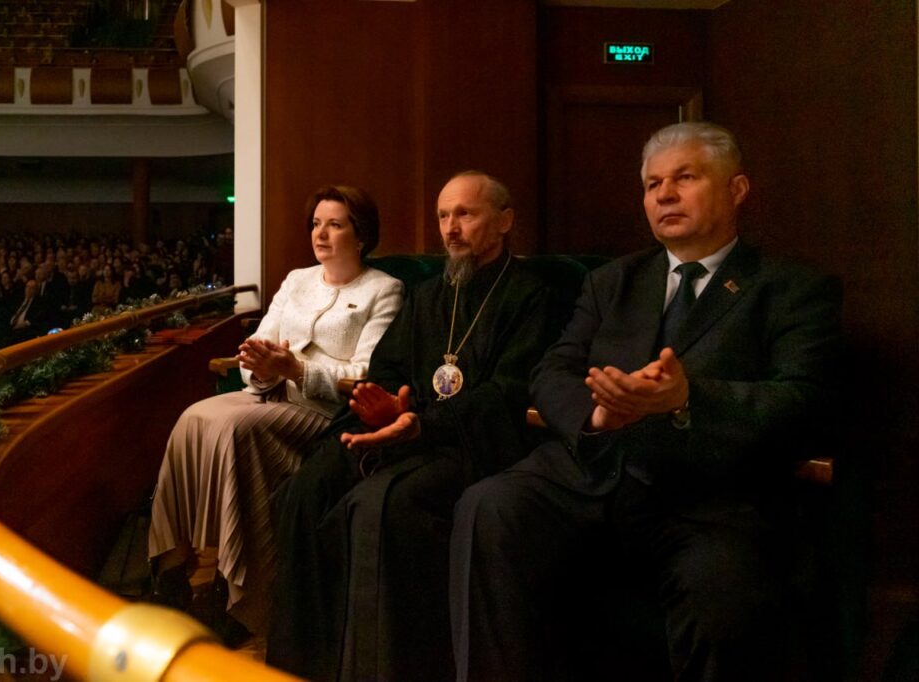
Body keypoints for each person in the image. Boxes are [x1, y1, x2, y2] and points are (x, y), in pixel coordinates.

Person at [449, 123, 844, 681]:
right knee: (488, 505)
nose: (665, 195)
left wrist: (688, 398)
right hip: (595, 471)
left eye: (686, 178)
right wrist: (596, 414)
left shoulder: (791, 288)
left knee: (724, 594)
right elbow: (553, 370)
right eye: (653, 184)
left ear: (736, 190)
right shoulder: (613, 280)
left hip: (709, 495)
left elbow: (805, 400)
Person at [267, 171, 564, 681]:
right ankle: (303, 666)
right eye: (444, 216)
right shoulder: (428, 297)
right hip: (405, 432)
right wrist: (380, 406)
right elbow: (387, 372)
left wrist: (422, 425)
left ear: (505, 221)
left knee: (383, 505)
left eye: (465, 214)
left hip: (470, 445)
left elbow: (509, 392)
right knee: (307, 486)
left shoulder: (533, 296)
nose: (451, 228)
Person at [148, 185, 403, 639]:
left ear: (361, 234)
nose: (320, 234)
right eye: (316, 224)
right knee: (194, 418)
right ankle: (171, 568)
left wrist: (297, 370)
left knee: (234, 427)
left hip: (325, 410)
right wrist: (262, 368)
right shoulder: (296, 279)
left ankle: (239, 592)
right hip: (271, 393)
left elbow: (366, 372)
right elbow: (257, 348)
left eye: (335, 225)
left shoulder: (384, 290)